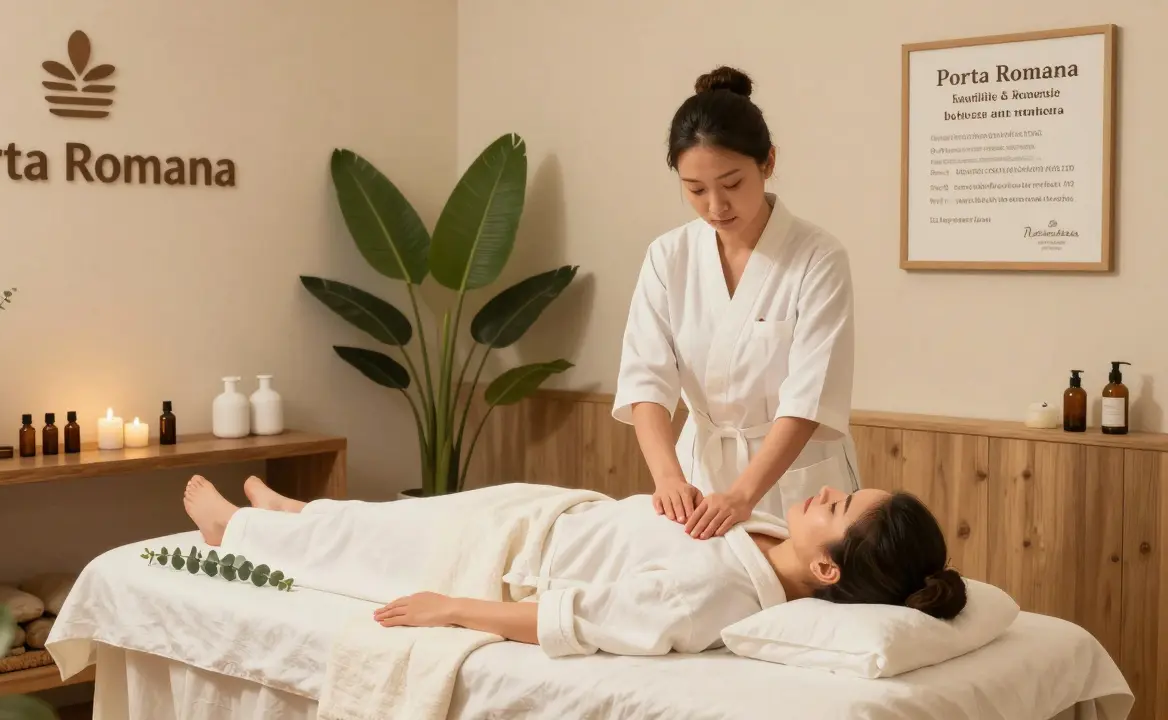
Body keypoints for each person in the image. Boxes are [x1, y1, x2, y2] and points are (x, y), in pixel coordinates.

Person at [182, 475, 967, 659]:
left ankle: (235, 530)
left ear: (830, 573)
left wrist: (454, 610)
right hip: (555, 512)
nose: (825, 492)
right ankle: (287, 515)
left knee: (369, 551)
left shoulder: (724, 593)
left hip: (510, 560)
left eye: (836, 509)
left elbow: (580, 624)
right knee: (383, 521)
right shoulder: (764, 537)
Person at [613, 64, 860, 540]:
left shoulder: (817, 257)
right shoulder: (669, 255)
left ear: (767, 163)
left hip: (798, 486)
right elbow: (646, 377)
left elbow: (809, 396)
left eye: (732, 184)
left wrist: (745, 494)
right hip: (696, 479)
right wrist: (667, 479)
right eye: (695, 189)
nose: (716, 207)